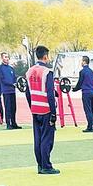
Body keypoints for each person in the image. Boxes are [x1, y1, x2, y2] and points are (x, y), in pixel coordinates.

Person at [24, 46, 58, 174]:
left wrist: (31, 106)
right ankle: (46, 166)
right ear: (45, 56)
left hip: (35, 109)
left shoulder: (29, 71)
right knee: (47, 139)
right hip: (46, 110)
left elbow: (27, 92)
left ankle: (39, 165)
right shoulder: (47, 72)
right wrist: (53, 113)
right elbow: (50, 94)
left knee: (37, 138)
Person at [75, 55, 93, 133]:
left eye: (81, 61)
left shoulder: (82, 72)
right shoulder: (91, 71)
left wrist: (75, 89)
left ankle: (89, 127)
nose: (81, 62)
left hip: (86, 92)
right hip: (92, 91)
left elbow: (80, 83)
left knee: (88, 109)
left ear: (84, 62)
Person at [0, 53, 20, 129]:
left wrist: (17, 82)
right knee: (8, 108)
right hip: (6, 91)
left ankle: (14, 123)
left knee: (13, 107)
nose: (7, 58)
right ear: (2, 58)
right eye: (5, 57)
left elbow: (14, 78)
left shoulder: (11, 68)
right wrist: (11, 84)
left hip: (12, 91)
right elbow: (2, 79)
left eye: (8, 57)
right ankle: (8, 123)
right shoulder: (0, 69)